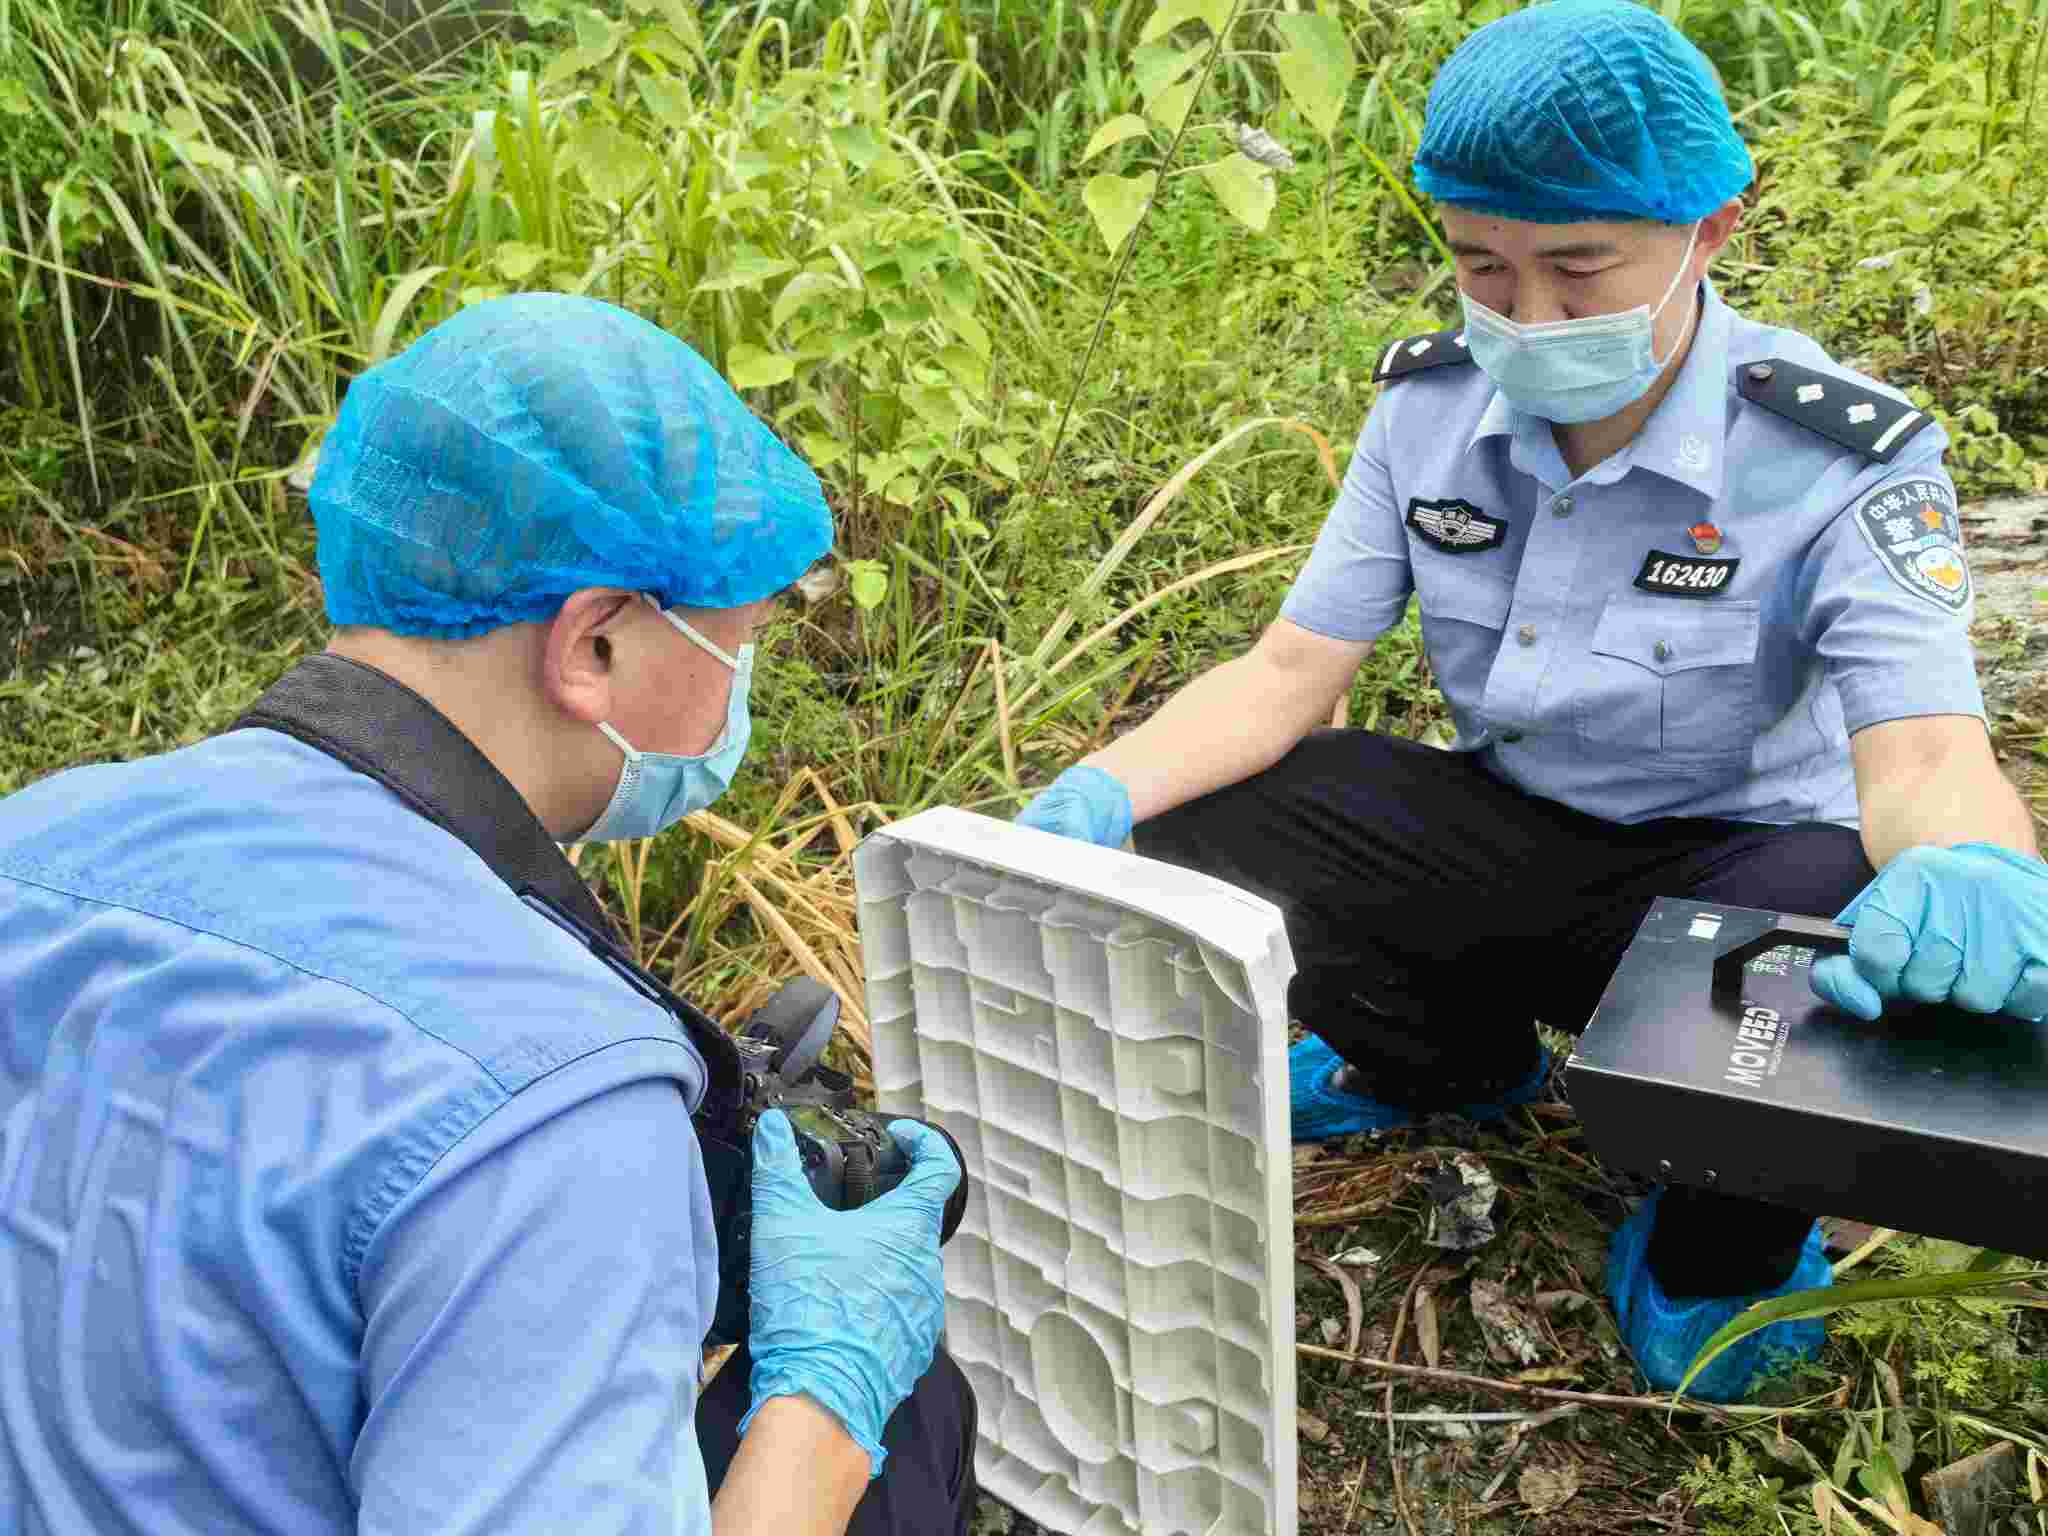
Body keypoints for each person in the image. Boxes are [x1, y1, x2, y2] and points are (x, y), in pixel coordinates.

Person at [1016, 0, 2048, 1403]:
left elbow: (1922, 746)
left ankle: (1721, 1243)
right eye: (1481, 267)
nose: (1529, 318)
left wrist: (1973, 861)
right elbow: (1286, 674)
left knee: (1833, 904)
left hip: (1731, 872)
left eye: (1579, 270)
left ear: (1712, 233)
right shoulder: (1427, 412)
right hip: (1516, 829)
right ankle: (1445, 1064)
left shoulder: (1834, 453)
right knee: (1233, 807)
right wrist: (1093, 797)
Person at [0, 294, 977, 1534]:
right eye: (741, 639)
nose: (744, 686)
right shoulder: (551, 1106)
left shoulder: (37, 834)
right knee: (907, 1406)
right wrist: (829, 1397)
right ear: (596, 647)